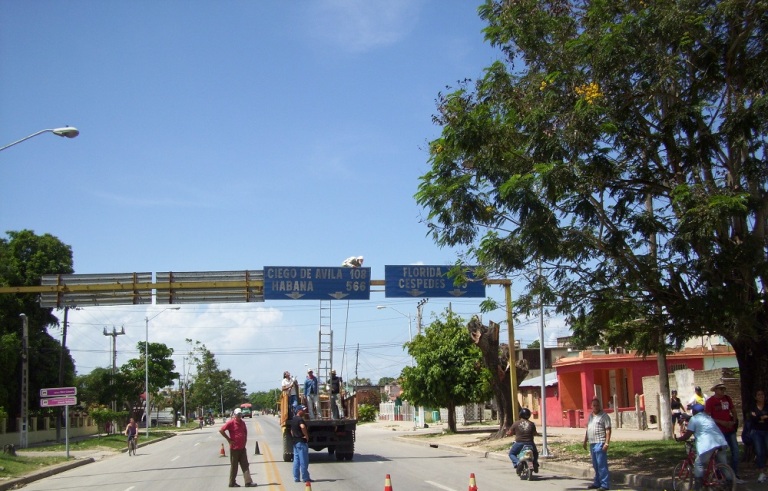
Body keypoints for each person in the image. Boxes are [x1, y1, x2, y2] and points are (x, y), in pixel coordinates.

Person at [675, 403, 730, 490]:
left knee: (699, 464)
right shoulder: (708, 417)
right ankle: (730, 483)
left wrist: (679, 439)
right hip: (721, 442)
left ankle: (698, 486)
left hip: (708, 444)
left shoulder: (694, 419)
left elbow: (688, 435)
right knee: (723, 464)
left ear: (695, 411)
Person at [705, 383, 744, 483]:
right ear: (715, 390)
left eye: (723, 389)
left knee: (735, 451)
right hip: (719, 432)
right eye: (720, 389)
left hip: (730, 430)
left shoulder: (727, 398)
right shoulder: (710, 401)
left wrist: (733, 421)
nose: (723, 391)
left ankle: (735, 474)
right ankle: (721, 475)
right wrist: (721, 422)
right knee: (721, 454)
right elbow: (708, 417)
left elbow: (733, 411)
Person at [219, 408, 256, 488]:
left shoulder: (242, 423)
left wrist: (245, 441)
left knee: (245, 465)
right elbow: (221, 430)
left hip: (242, 448)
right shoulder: (231, 423)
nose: (239, 416)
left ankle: (248, 482)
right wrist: (229, 440)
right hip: (234, 449)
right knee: (234, 466)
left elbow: (245, 432)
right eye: (238, 414)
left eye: (240, 414)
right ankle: (232, 483)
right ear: (235, 415)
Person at [583, 398, 611, 491]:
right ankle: (597, 482)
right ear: (591, 406)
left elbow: (608, 430)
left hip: (600, 442)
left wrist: (606, 443)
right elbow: (588, 430)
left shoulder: (604, 416)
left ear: (600, 406)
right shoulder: (590, 416)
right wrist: (585, 441)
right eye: (594, 405)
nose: (596, 407)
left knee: (601, 464)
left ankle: (604, 485)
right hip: (592, 443)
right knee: (595, 465)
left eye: (597, 405)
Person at [507, 407, 539, 474]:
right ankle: (535, 463)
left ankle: (518, 463)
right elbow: (535, 433)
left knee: (511, 453)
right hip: (530, 443)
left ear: (520, 414)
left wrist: (507, 433)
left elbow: (509, 433)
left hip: (519, 443)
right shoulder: (532, 424)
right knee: (535, 453)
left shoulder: (516, 423)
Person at [749, 389, 768, 483]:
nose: (761, 396)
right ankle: (762, 472)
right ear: (756, 397)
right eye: (759, 394)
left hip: (766, 430)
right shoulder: (753, 407)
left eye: (762, 394)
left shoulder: (767, 406)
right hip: (757, 432)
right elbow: (753, 419)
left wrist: (759, 418)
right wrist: (763, 417)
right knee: (759, 452)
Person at [290, 405, 312, 483]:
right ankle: (305, 478)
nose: (305, 411)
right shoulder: (300, 419)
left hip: (295, 442)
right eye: (303, 410)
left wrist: (294, 437)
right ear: (299, 410)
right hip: (301, 442)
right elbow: (302, 427)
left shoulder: (293, 419)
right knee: (304, 461)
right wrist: (306, 436)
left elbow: (291, 431)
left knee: (296, 460)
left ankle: (296, 478)